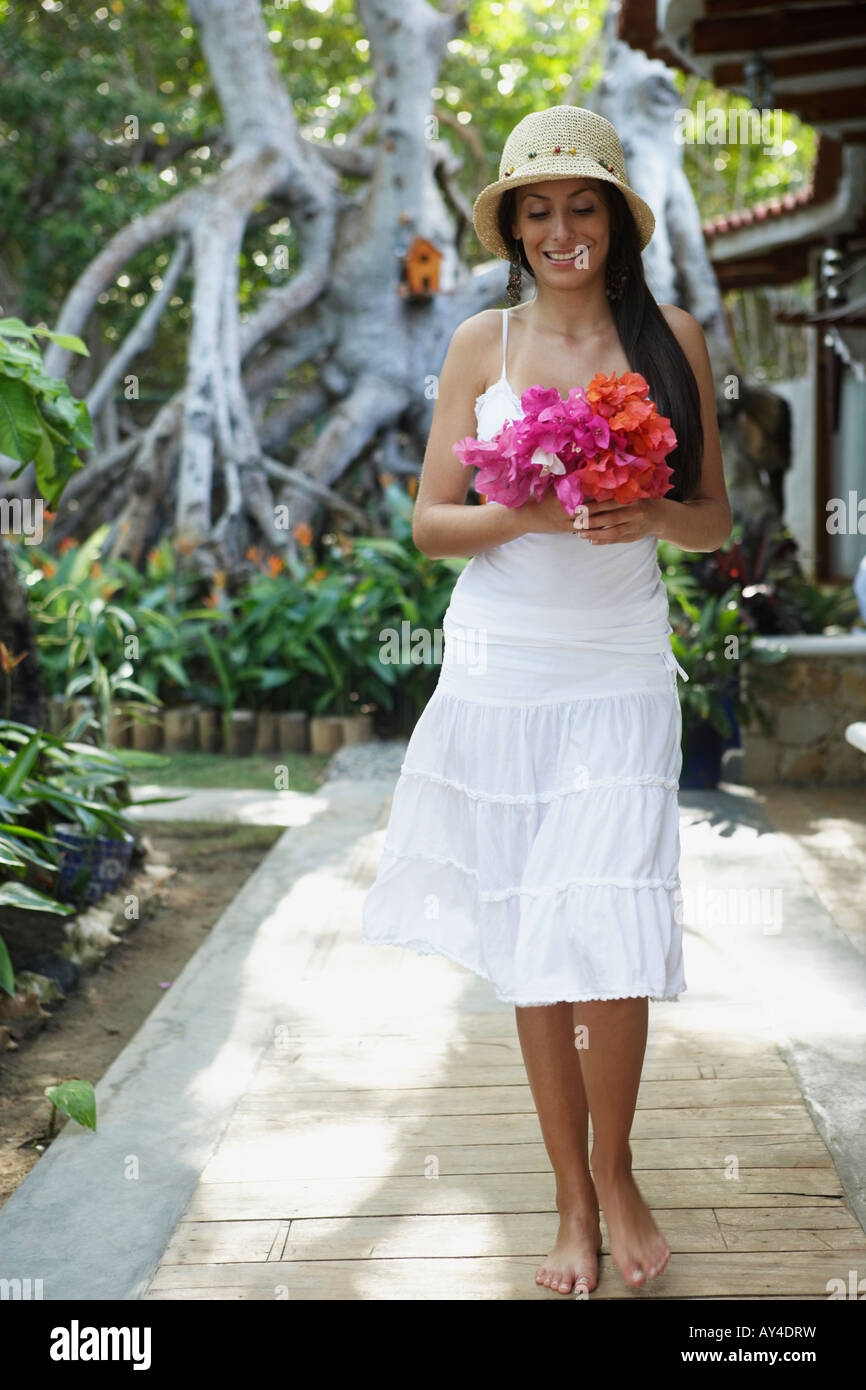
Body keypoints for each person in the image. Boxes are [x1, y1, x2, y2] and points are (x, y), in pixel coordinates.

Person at [362, 105, 732, 1295]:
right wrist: (523, 507)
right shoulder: (479, 342)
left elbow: (714, 518)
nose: (559, 228)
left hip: (618, 669)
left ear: (615, 220)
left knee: (608, 930)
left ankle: (615, 1171)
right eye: (537, 209)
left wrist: (649, 513)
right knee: (533, 934)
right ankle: (567, 1203)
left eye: (581, 206)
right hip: (500, 675)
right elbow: (429, 524)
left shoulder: (669, 336)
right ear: (514, 227)